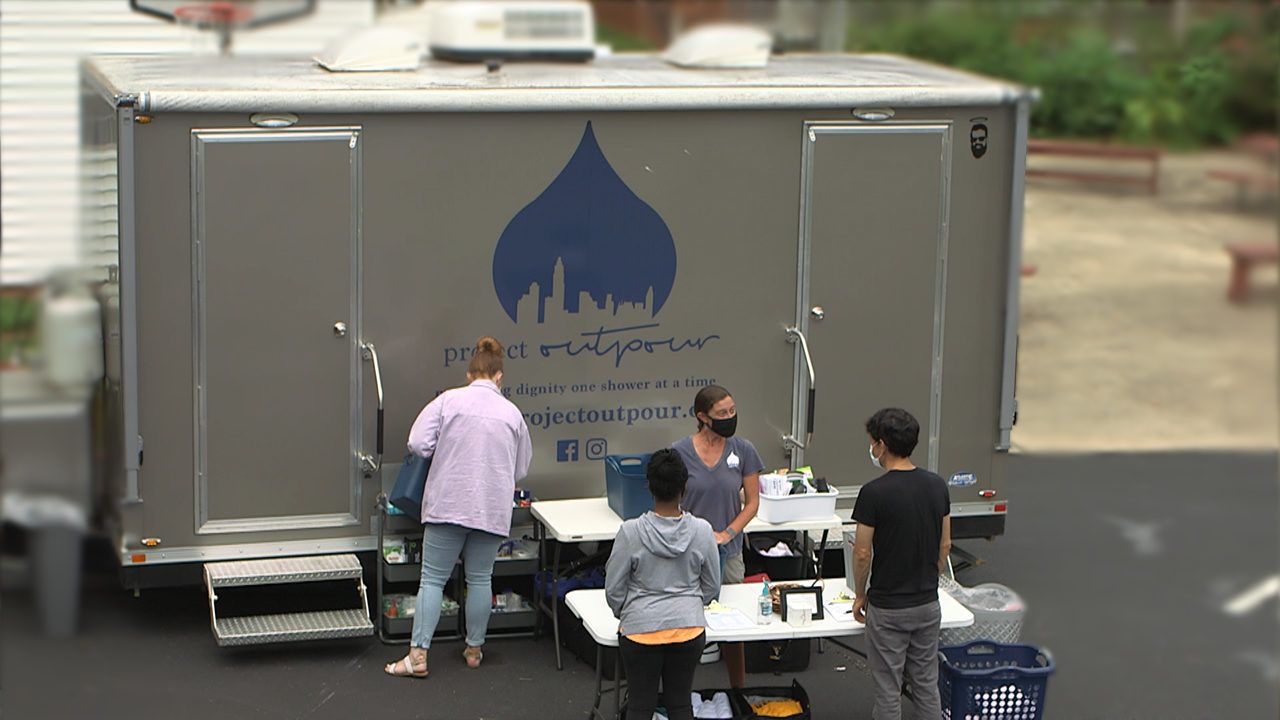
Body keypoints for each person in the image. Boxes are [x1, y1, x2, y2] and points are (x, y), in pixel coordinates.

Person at [385, 336, 533, 678]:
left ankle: (418, 657)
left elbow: (418, 443)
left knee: (433, 580)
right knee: (481, 579)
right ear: (499, 376)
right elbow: (520, 468)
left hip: (448, 504)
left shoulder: (448, 401)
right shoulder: (512, 413)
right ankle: (474, 650)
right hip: (490, 509)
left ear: (470, 375)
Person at [850, 407, 952, 720]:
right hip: (926, 603)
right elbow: (945, 544)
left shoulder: (873, 493)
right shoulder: (937, 485)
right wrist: (929, 577)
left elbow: (862, 552)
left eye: (872, 443)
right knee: (926, 685)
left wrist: (860, 594)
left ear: (881, 444)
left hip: (888, 607)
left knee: (888, 689)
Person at [605, 449, 720, 720]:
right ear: (685, 487)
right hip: (688, 629)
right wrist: (689, 604)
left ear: (649, 486)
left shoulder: (630, 532)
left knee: (639, 707)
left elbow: (613, 589)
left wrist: (628, 612)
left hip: (640, 631)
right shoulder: (702, 531)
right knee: (680, 705)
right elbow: (712, 584)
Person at [671, 384, 763, 688]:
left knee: (732, 629)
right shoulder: (679, 452)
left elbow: (751, 503)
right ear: (702, 416)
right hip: (687, 554)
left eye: (733, 410)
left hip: (729, 554)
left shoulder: (744, 450)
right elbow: (669, 504)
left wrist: (727, 533)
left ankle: (738, 692)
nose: (730, 417)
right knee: (683, 626)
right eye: (722, 413)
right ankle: (679, 693)